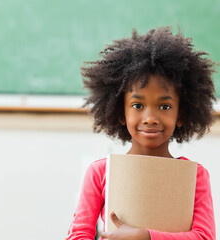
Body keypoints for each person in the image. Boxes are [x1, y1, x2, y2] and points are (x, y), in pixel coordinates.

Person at [66, 26, 216, 240]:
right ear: (120, 112)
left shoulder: (196, 176)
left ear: (181, 115)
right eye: (137, 105)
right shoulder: (99, 172)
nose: (150, 117)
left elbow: (204, 237)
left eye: (164, 107)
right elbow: (79, 234)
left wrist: (146, 236)